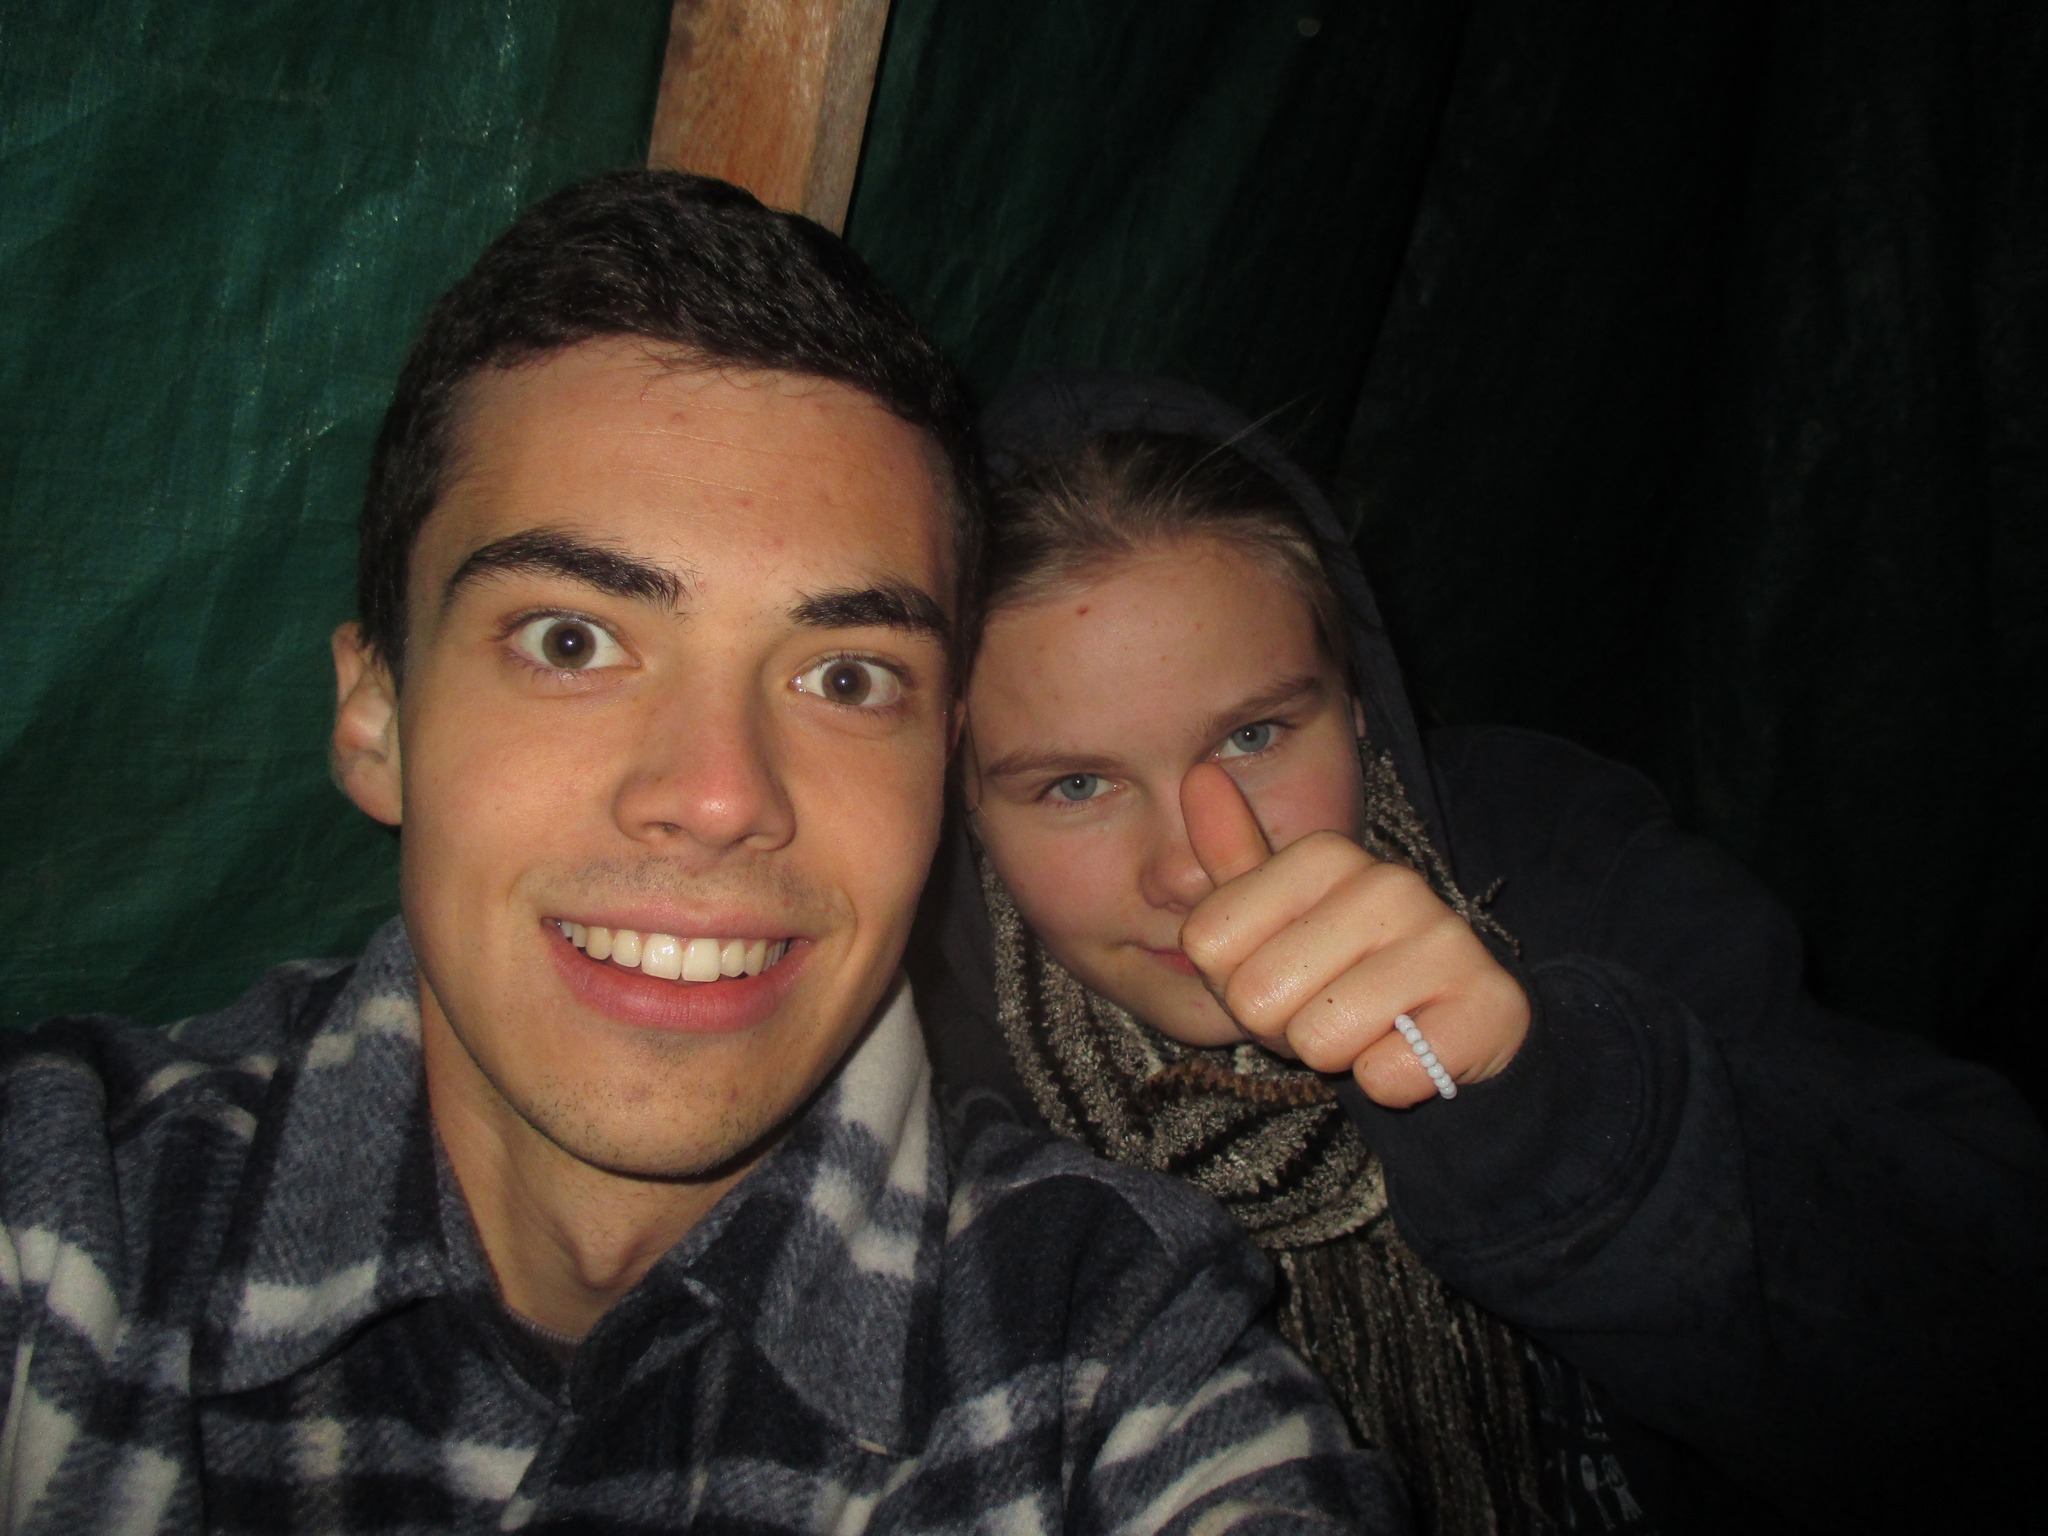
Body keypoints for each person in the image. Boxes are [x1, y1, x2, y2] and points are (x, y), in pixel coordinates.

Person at [0, 180, 1406, 1532]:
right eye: (572, 641)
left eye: (846, 677)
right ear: (377, 718)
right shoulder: (70, 1221)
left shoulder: (1112, 1344)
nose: (721, 795)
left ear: (941, 765)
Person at [912, 371, 2048, 1536]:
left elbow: (1983, 1346)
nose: (1199, 865)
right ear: (964, 809)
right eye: (1075, 786)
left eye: (1253, 734)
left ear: (1357, 703)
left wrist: (1552, 1114)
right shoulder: (935, 1116)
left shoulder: (1566, 867)